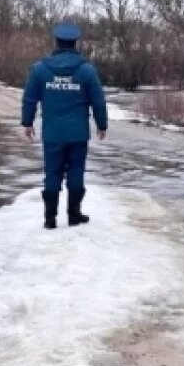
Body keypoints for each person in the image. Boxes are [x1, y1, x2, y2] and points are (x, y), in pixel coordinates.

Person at [21, 22, 108, 229]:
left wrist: (27, 122)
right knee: (76, 171)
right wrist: (101, 124)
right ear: (75, 43)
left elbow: (29, 99)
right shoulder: (87, 71)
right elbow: (98, 100)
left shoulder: (40, 69)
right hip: (78, 133)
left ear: (56, 42)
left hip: (52, 134)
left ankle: (50, 219)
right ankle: (74, 215)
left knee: (52, 174)